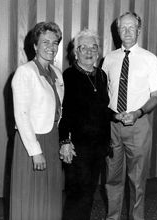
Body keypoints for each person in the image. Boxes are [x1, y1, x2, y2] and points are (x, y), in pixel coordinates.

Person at [102, 12, 157, 220]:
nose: (127, 31)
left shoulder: (150, 59)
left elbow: (156, 95)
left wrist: (138, 112)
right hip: (113, 127)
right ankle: (113, 217)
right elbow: (104, 94)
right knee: (112, 177)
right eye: (123, 28)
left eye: (131, 27)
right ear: (117, 31)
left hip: (138, 126)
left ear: (139, 30)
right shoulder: (109, 59)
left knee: (137, 180)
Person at [10, 21, 64, 220]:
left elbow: (58, 110)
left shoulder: (56, 73)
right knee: (31, 196)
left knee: (49, 194)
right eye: (45, 42)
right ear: (35, 45)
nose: (51, 47)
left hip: (51, 138)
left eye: (55, 42)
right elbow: (21, 116)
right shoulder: (25, 73)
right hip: (31, 143)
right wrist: (35, 151)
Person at [59, 29, 110, 220]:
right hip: (77, 147)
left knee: (89, 193)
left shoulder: (101, 75)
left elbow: (103, 110)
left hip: (97, 147)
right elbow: (65, 112)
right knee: (77, 194)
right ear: (76, 52)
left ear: (98, 51)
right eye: (84, 47)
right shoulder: (69, 76)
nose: (89, 51)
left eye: (93, 47)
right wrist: (64, 140)